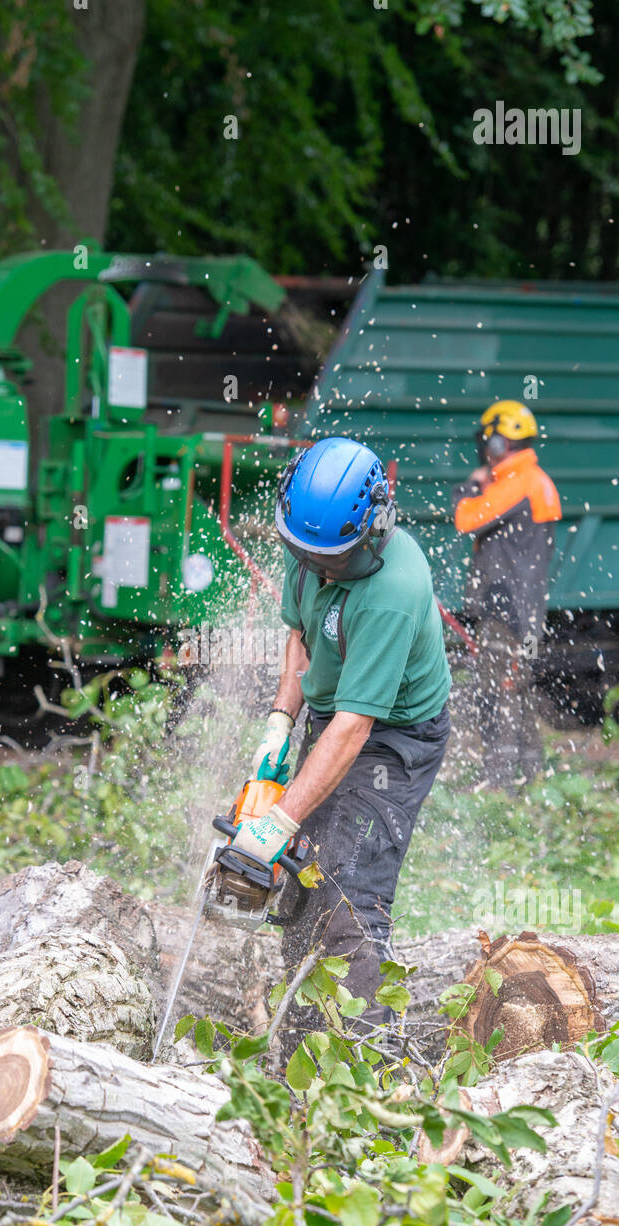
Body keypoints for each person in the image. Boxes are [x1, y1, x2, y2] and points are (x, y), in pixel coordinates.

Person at [230, 436, 451, 1063]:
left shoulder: (391, 592)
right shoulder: (311, 546)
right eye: (306, 554)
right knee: (302, 869)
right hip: (334, 711)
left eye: (333, 557)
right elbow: (301, 638)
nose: (319, 567)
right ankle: (303, 1040)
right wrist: (280, 721)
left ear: (374, 526)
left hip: (391, 737)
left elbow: (356, 728)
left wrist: (274, 820)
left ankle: (370, 1064)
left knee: (348, 883)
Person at [452, 400, 561, 785]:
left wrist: (471, 485)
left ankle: (496, 784)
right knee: (519, 693)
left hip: (506, 611)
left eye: (488, 441)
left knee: (495, 694)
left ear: (500, 443)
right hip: (525, 609)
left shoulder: (518, 484)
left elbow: (466, 518)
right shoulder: (536, 480)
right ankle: (532, 777)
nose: (485, 449)